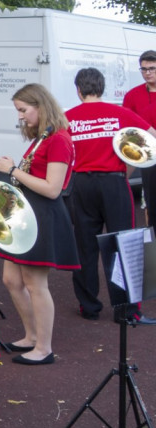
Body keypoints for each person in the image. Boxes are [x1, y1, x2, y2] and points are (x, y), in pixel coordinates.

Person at [0, 83, 79, 365]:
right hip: (27, 214)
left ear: (40, 106)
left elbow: (53, 189)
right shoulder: (45, 137)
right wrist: (15, 169)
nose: (20, 116)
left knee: (35, 284)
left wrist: (14, 170)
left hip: (42, 215)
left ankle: (44, 347)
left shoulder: (59, 139)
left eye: (23, 110)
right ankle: (31, 337)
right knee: (11, 280)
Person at [65, 67, 156, 322]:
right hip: (114, 183)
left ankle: (88, 307)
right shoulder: (120, 113)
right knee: (124, 244)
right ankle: (127, 311)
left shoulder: (67, 118)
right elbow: (150, 139)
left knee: (85, 245)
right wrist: (128, 167)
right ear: (102, 88)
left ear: (78, 89)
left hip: (81, 184)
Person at [121, 50, 156, 234]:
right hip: (148, 155)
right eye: (143, 69)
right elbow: (126, 128)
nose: (147, 73)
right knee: (151, 201)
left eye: (152, 68)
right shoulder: (133, 95)